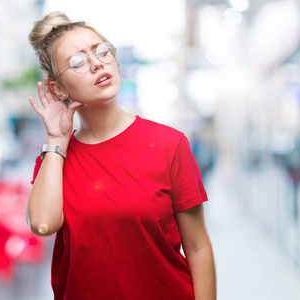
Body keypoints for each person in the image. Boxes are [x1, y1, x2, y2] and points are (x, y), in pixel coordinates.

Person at [26, 11, 216, 300]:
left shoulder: (169, 144)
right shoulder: (55, 159)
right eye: (77, 61)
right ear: (57, 87)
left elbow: (198, 247)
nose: (96, 63)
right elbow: (42, 224)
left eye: (101, 51)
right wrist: (56, 139)